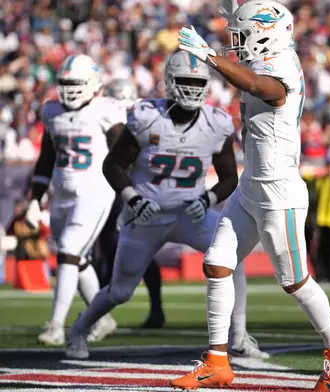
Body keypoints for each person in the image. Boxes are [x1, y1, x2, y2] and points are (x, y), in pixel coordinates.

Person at [172, 2, 330, 390]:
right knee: (217, 263)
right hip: (251, 185)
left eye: (242, 36)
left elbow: (263, 88)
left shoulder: (282, 66)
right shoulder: (264, 56)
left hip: (279, 191)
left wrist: (207, 55)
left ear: (265, 34)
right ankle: (217, 361)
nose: (237, 45)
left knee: (294, 281)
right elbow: (245, 70)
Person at [65, 51, 241, 360]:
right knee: (120, 292)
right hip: (146, 216)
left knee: (232, 255)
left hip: (192, 214)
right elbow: (112, 166)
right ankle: (79, 328)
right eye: (185, 81)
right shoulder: (147, 117)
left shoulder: (216, 123)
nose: (191, 88)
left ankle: (238, 336)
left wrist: (209, 198)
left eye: (197, 82)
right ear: (170, 83)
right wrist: (132, 197)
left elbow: (229, 178)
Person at [26, 54, 121, 346]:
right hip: (63, 192)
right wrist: (35, 199)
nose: (70, 88)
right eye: (65, 82)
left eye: (76, 83)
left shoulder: (106, 110)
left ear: (93, 84)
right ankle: (102, 317)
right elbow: (46, 158)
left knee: (68, 250)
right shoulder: (51, 111)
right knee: (75, 259)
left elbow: (123, 153)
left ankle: (56, 325)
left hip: (96, 190)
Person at [98, 78, 166, 329]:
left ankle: (152, 310)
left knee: (128, 249)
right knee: (114, 249)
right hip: (125, 186)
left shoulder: (137, 117)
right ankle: (104, 312)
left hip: (132, 187)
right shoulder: (138, 115)